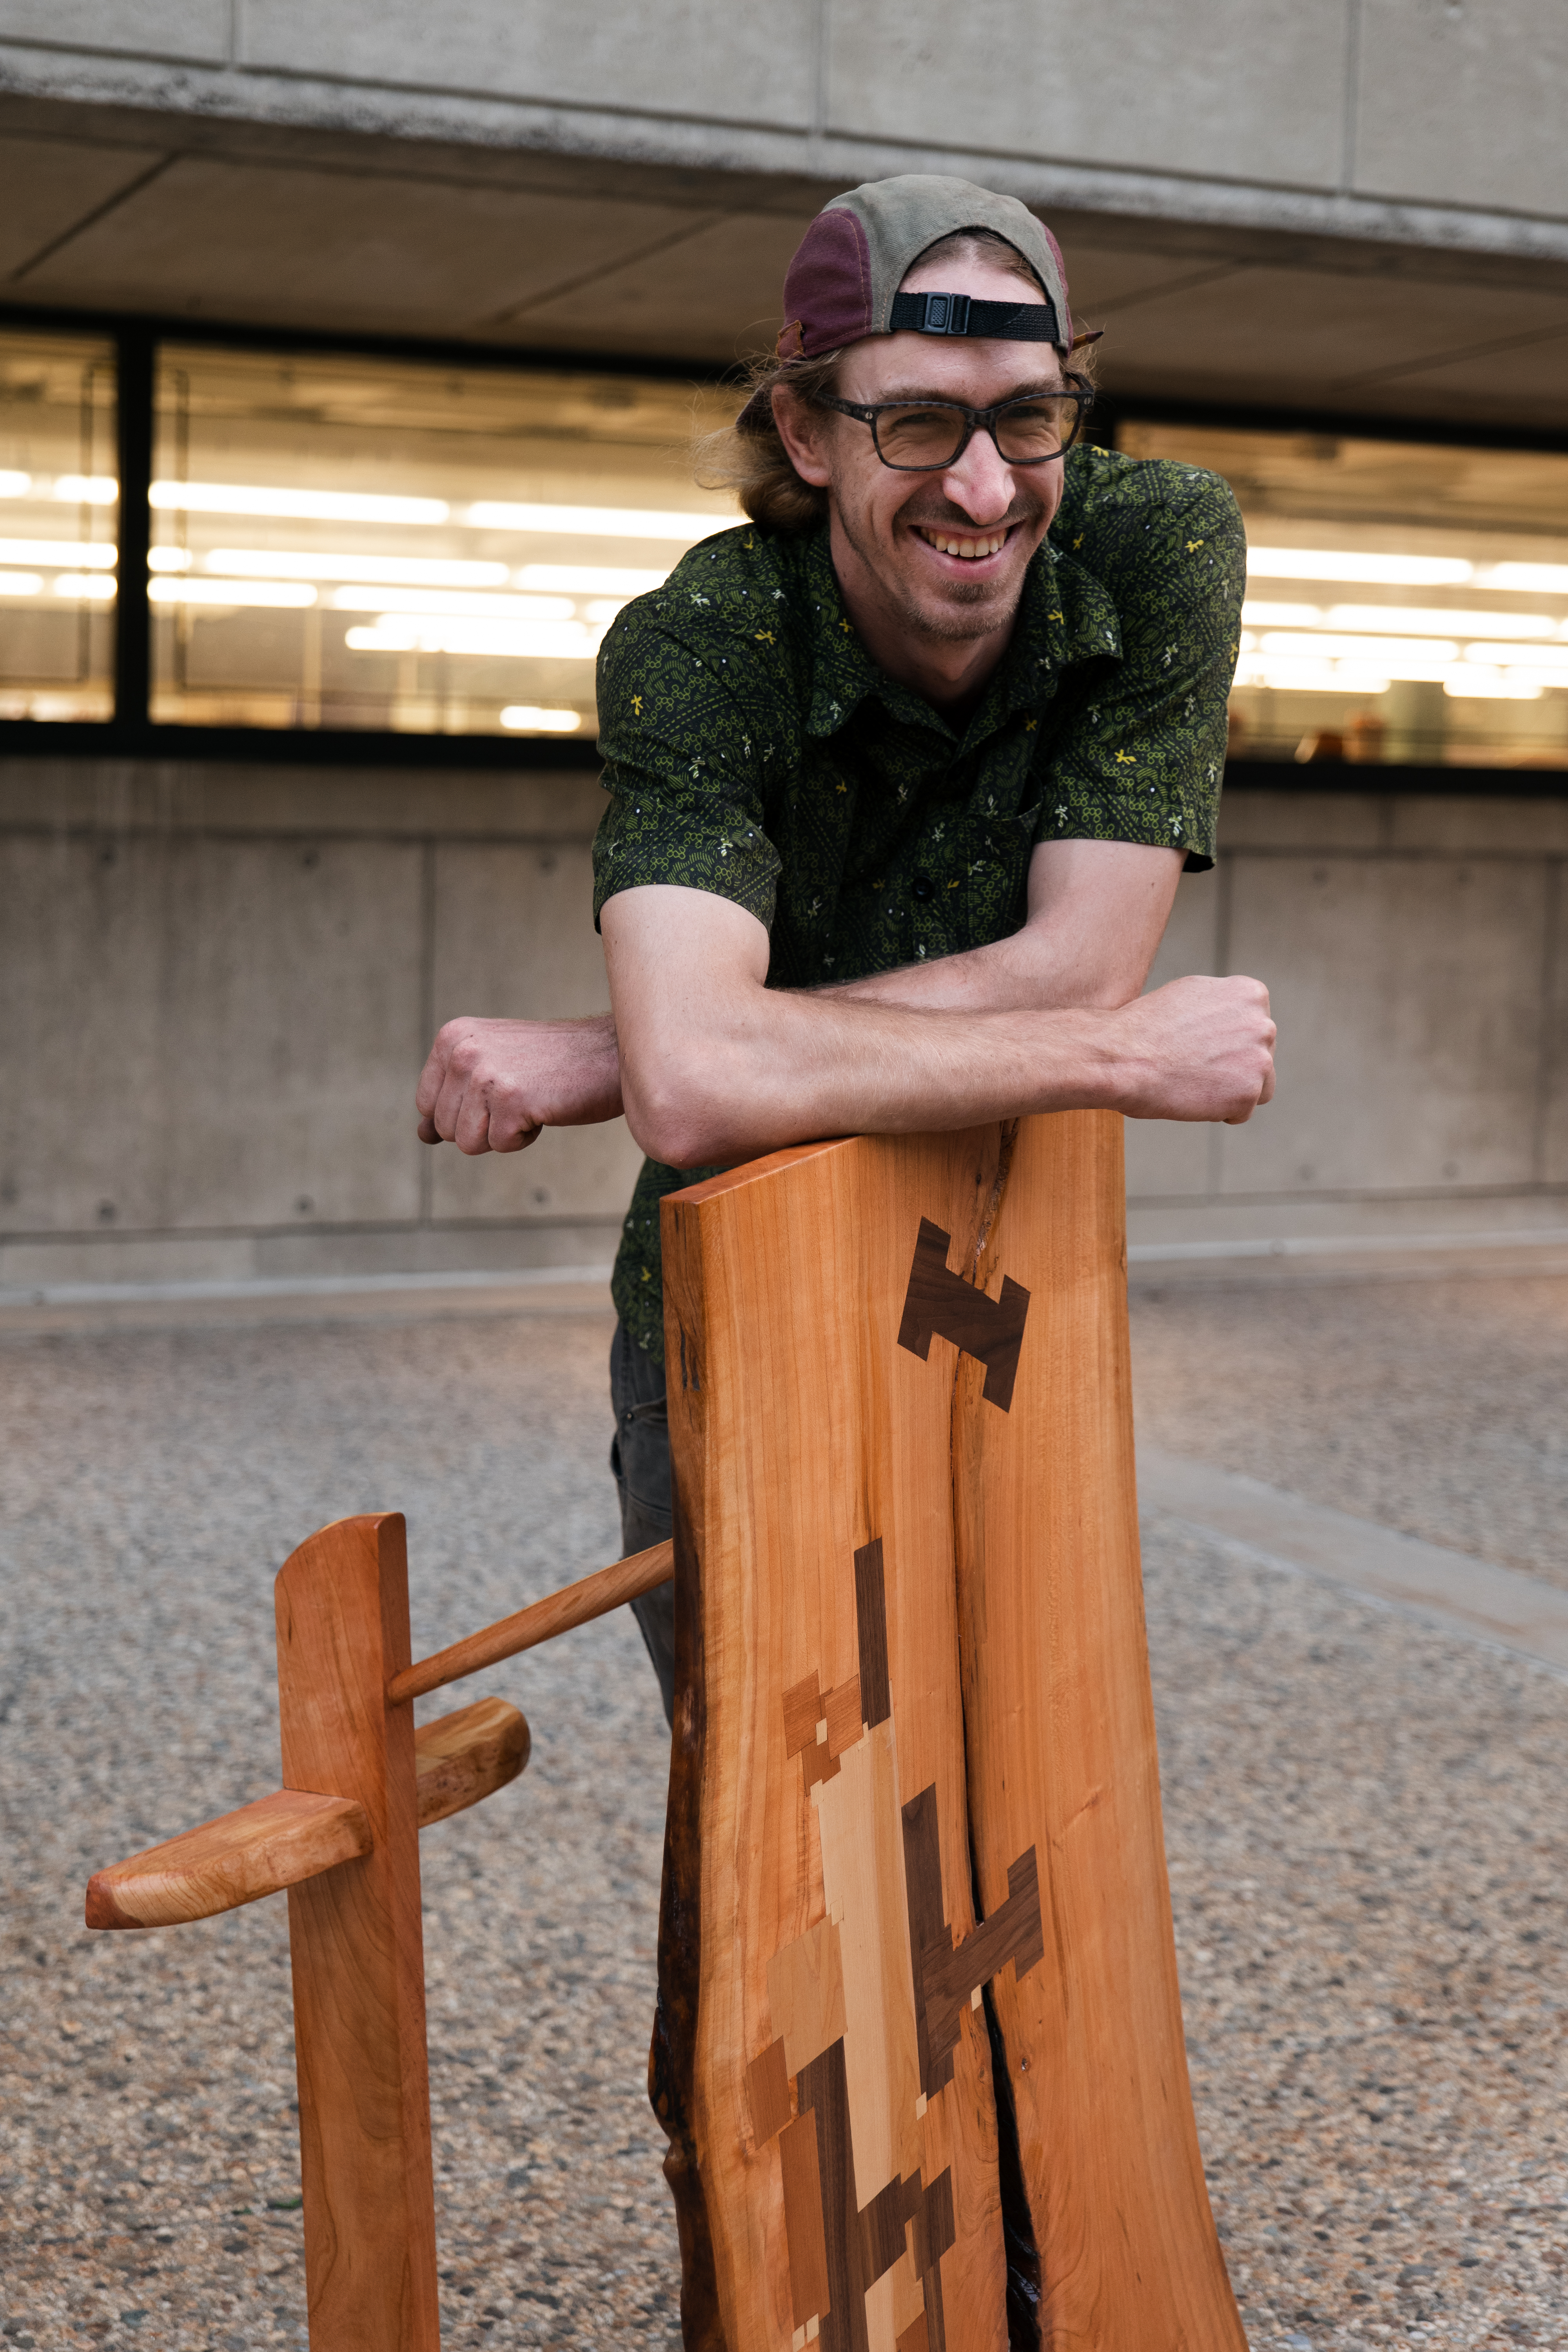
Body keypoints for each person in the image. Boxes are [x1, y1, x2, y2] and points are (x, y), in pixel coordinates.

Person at [415, 175, 1277, 1726]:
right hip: (739, 1296)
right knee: (778, 1822)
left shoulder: (1156, 546)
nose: (986, 485)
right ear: (806, 434)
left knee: (1010, 1785)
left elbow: (1072, 960)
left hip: (1008, 1266)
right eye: (917, 424)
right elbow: (716, 1103)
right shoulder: (701, 640)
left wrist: (639, 1051)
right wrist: (1121, 1058)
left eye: (1029, 417)